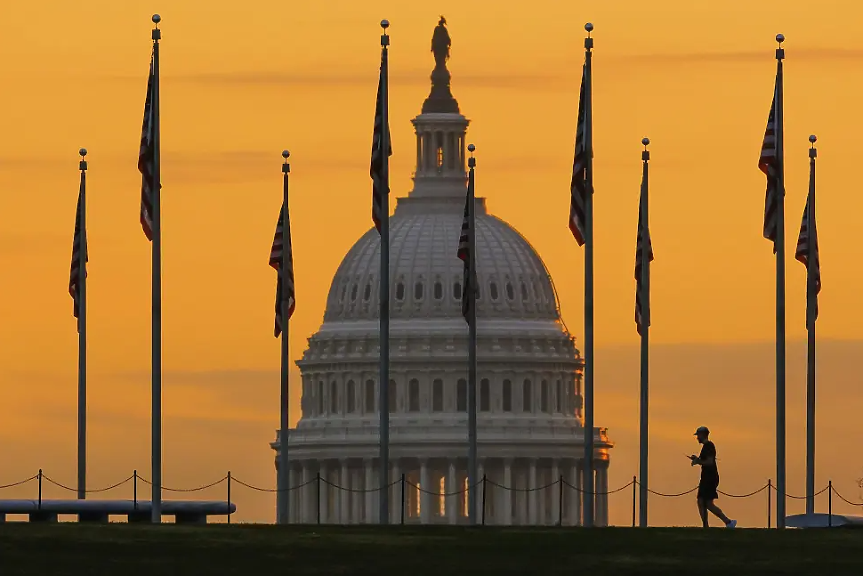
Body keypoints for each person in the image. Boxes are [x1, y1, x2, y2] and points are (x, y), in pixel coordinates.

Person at [690, 426, 737, 528]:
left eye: (698, 435)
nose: (697, 438)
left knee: (706, 503)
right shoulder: (706, 447)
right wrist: (697, 459)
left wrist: (698, 461)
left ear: (703, 435)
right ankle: (708, 525)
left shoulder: (709, 446)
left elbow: (709, 462)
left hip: (710, 478)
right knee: (702, 502)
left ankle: (728, 522)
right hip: (707, 477)